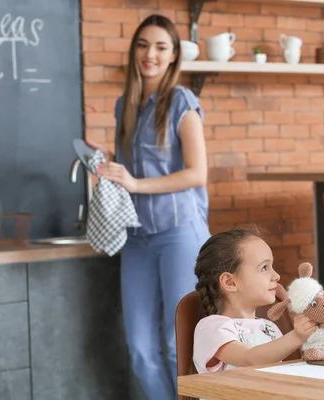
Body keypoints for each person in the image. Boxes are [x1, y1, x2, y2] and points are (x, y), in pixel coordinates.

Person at [87, 14, 210, 400]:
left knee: (179, 347)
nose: (150, 54)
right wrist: (108, 162)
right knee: (141, 350)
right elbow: (131, 172)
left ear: (174, 56)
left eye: (160, 46)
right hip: (137, 236)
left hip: (179, 234)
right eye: (143, 45)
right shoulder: (125, 105)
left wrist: (136, 183)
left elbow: (197, 174)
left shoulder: (181, 102)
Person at [192, 229, 318, 373]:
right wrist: (297, 336)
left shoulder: (269, 328)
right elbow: (249, 358)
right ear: (230, 282)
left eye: (272, 266)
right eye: (264, 267)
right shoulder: (211, 328)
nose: (276, 275)